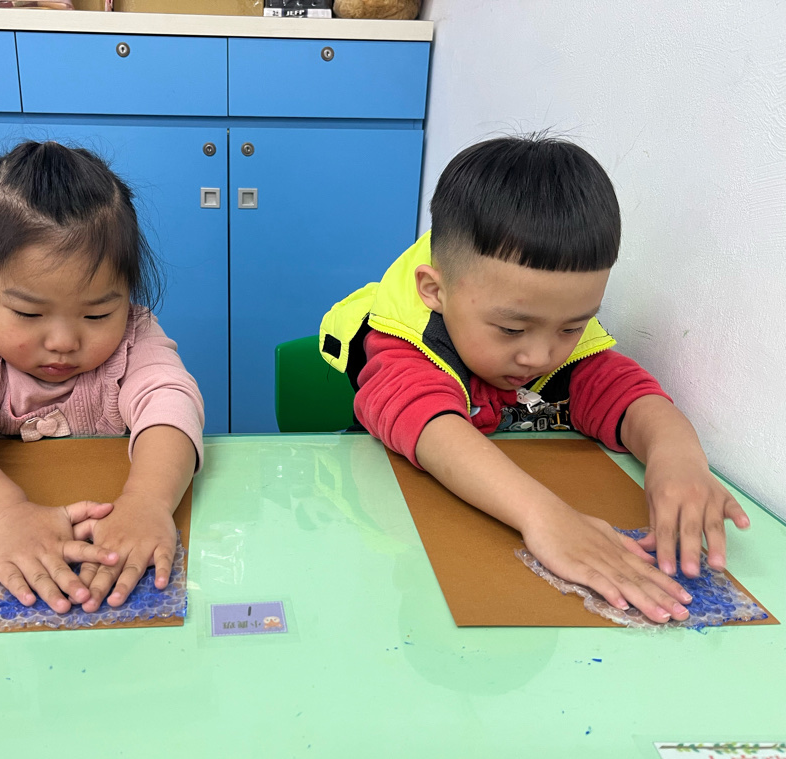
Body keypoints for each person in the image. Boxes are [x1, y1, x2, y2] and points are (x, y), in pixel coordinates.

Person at [319, 135, 749, 623]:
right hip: (405, 533)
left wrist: (678, 458)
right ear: (435, 291)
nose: (541, 355)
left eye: (572, 327)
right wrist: (544, 517)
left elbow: (630, 397)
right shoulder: (403, 343)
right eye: (511, 329)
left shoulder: (548, 338)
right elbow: (429, 424)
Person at [0, 140, 204, 614]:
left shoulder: (135, 336)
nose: (63, 342)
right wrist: (4, 514)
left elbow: (171, 401)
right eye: (29, 313)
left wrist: (148, 501)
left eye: (97, 315)